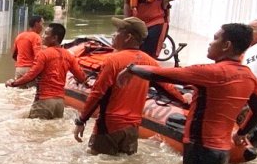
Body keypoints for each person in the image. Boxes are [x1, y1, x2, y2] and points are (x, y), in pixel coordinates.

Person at [118, 23, 257, 164]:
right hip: (223, 152)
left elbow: (158, 74)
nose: (211, 43)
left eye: (216, 39)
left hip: (200, 150)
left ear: (227, 46)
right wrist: (241, 133)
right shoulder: (249, 76)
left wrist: (131, 69)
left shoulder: (210, 72)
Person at [72, 17, 186, 155]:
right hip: (132, 129)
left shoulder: (113, 61)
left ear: (128, 37)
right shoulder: (150, 62)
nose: (114, 35)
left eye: (118, 31)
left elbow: (97, 94)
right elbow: (168, 89)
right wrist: (186, 103)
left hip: (109, 126)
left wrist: (81, 120)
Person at [6, 22, 86, 119]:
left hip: (44, 101)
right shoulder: (69, 56)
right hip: (60, 103)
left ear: (55, 38)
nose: (42, 36)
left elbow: (31, 75)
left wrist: (14, 83)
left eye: (46, 33)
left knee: (33, 132)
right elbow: (82, 78)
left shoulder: (43, 54)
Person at [10, 15, 44, 83]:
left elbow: (14, 55)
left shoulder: (19, 36)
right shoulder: (36, 37)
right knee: (33, 92)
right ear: (36, 24)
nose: (43, 27)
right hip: (31, 70)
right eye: (42, 23)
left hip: (19, 69)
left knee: (19, 92)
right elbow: (38, 57)